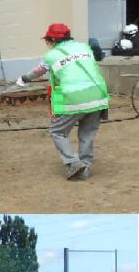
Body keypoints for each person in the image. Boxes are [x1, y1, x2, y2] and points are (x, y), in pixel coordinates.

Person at [16, 23, 110, 181]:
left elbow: (37, 72)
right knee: (87, 134)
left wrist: (24, 79)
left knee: (57, 132)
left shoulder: (52, 55)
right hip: (98, 96)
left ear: (52, 39)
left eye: (48, 40)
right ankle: (85, 167)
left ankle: (73, 163)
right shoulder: (84, 47)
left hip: (73, 99)